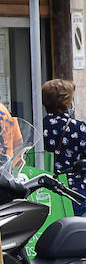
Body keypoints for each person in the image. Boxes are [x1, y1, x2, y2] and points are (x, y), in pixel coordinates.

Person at [42, 78, 86, 216]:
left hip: (47, 188)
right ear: (67, 102)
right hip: (75, 191)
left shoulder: (40, 125)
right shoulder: (78, 128)